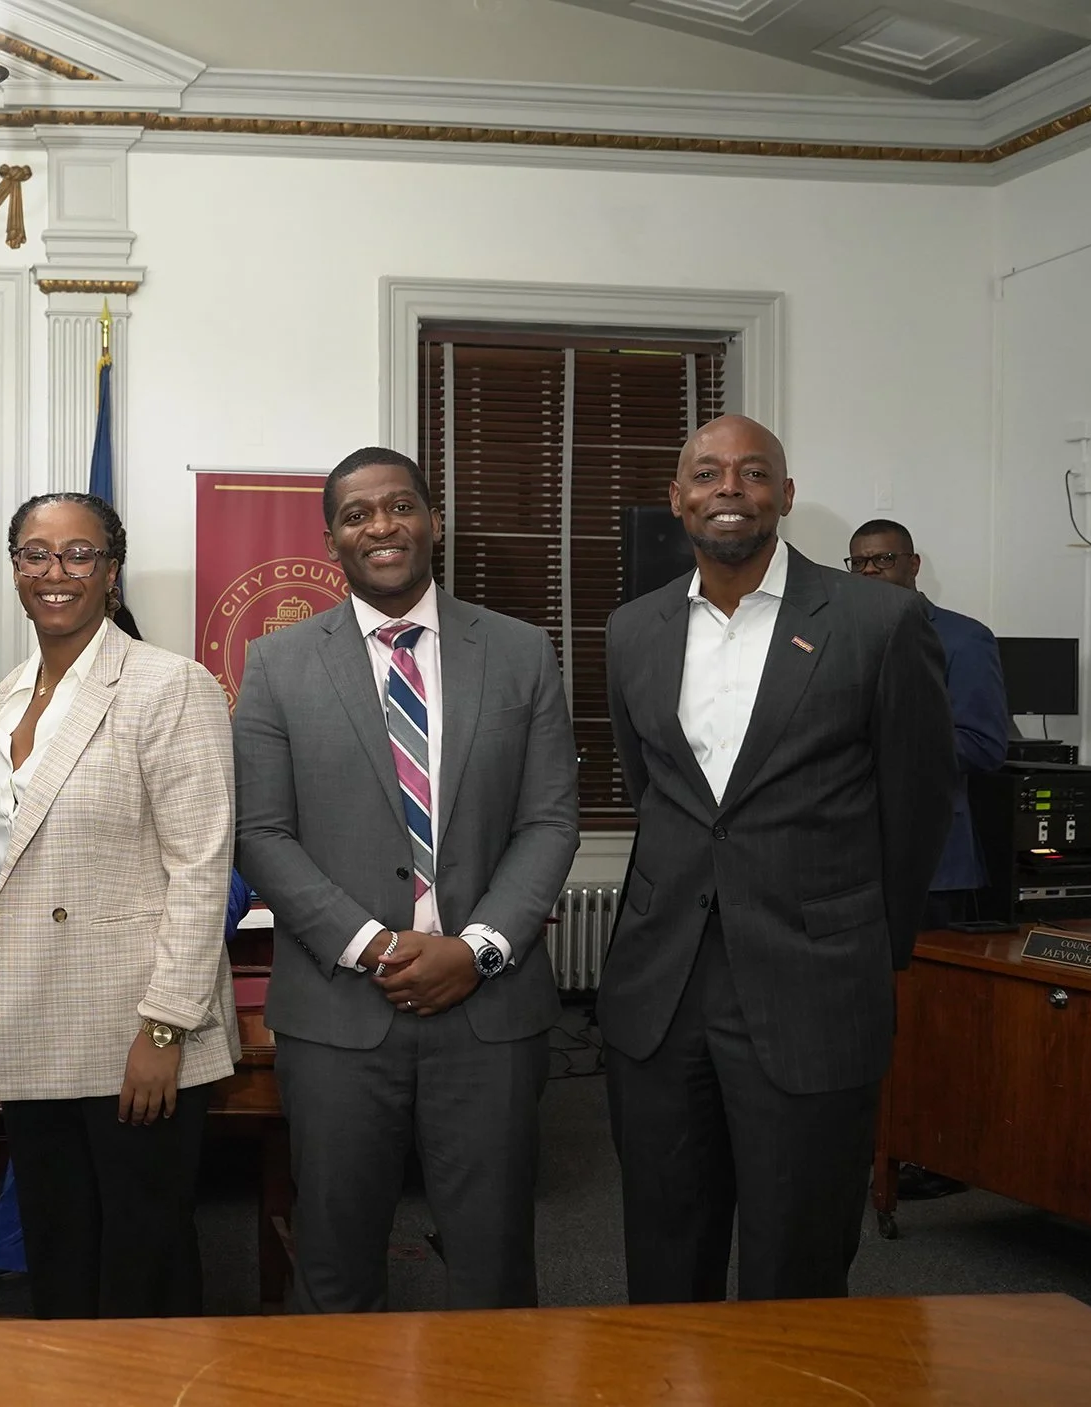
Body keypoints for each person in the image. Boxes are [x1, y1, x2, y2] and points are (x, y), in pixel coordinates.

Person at [603, 415, 953, 1303]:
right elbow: (657, 791)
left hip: (815, 989)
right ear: (678, 498)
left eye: (753, 472)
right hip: (661, 990)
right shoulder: (632, 630)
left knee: (794, 1265)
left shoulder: (881, 620)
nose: (730, 487)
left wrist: (873, 950)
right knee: (664, 1252)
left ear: (785, 496)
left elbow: (915, 808)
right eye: (708, 473)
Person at [234, 446, 579, 1313]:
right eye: (357, 514)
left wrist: (479, 947)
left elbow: (549, 820)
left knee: (494, 1259)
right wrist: (372, 943)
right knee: (335, 1259)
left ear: (433, 521)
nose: (380, 525)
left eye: (398, 507)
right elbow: (261, 832)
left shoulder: (520, 650)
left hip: (490, 1012)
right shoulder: (276, 665)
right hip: (338, 1011)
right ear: (332, 541)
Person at [0, 491, 237, 1318]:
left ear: (111, 572)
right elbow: (9, 854)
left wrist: (164, 1026)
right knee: (61, 1250)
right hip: (35, 1013)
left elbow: (201, 864)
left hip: (133, 1026)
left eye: (79, 554)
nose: (55, 571)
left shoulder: (168, 684)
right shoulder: (9, 693)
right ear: (14, 569)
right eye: (35, 554)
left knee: (143, 1261)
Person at [847, 519, 1009, 930]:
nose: (870, 570)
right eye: (859, 562)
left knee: (928, 992)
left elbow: (984, 745)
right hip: (846, 862)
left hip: (932, 863)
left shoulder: (964, 639)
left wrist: (887, 742)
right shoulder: (837, 639)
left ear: (913, 564)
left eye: (884, 559)